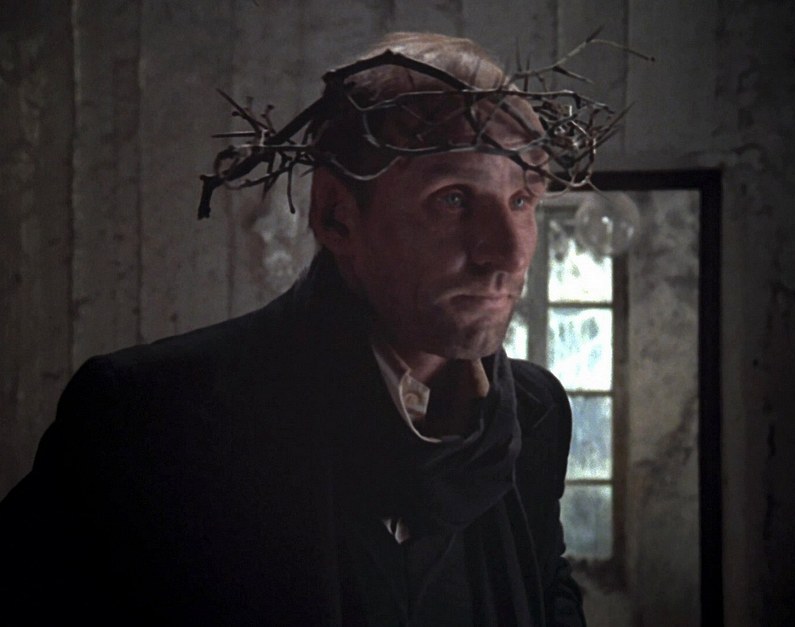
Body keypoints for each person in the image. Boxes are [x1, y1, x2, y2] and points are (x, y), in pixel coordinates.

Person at [0, 33, 585, 626]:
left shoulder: (536, 416)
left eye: (522, 200)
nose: (508, 254)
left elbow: (547, 593)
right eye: (454, 198)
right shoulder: (149, 417)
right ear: (337, 215)